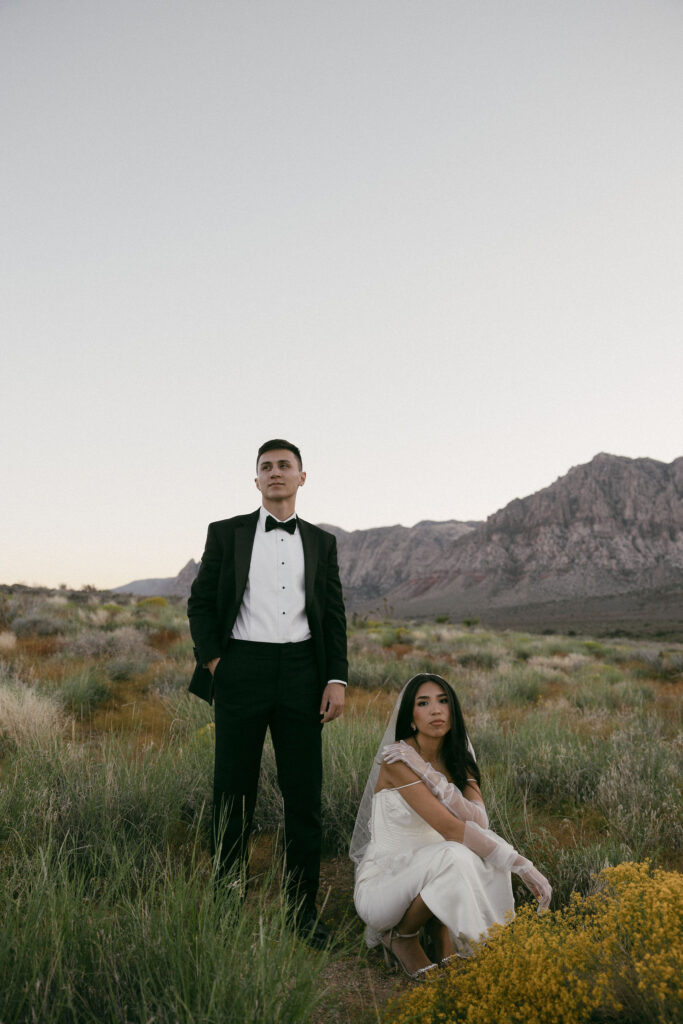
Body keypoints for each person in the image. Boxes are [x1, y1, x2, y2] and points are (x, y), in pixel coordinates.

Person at [187, 439, 348, 948]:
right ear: (255, 481)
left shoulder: (322, 542)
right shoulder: (226, 533)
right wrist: (216, 662)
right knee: (232, 792)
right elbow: (199, 602)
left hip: (303, 673)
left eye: (285, 466)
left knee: (304, 796)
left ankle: (301, 913)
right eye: (266, 467)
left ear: (303, 477)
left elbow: (334, 614)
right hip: (242, 668)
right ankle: (227, 902)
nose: (275, 473)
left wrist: (336, 679)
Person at [350, 673, 552, 978]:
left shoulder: (459, 762)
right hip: (385, 883)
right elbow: (451, 828)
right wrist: (522, 865)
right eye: (424, 703)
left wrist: (430, 774)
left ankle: (444, 933)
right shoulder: (396, 759)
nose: (436, 710)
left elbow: (479, 821)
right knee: (458, 852)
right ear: (411, 717)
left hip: (429, 868)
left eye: (443, 701)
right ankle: (402, 937)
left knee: (478, 852)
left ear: (453, 711)